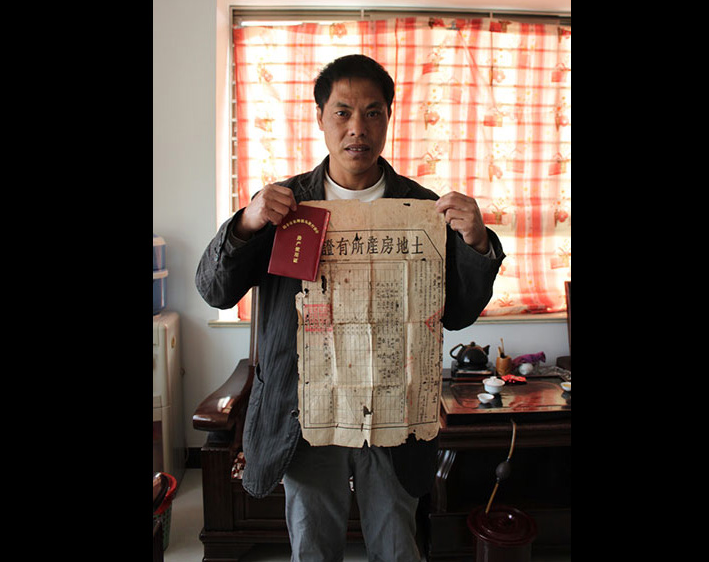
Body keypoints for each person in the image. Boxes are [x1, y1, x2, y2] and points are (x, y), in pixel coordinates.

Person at [196, 54, 504, 561]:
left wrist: (475, 243)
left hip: (394, 409)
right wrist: (246, 225)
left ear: (389, 117)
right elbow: (214, 290)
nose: (357, 128)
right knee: (313, 546)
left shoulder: (422, 210)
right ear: (320, 118)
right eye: (342, 112)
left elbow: (458, 314)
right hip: (306, 412)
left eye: (373, 112)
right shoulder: (283, 206)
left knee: (398, 544)